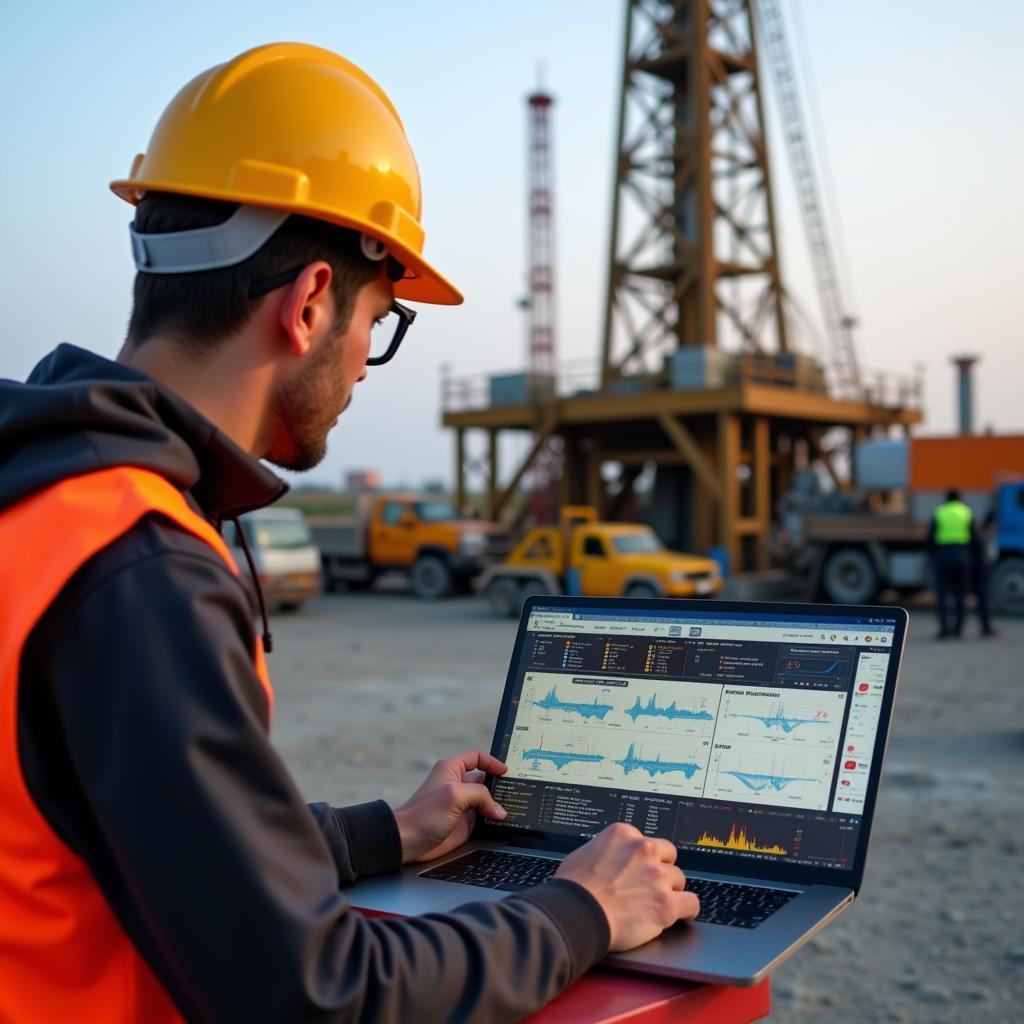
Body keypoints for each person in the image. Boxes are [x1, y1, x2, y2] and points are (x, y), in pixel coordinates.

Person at [0, 44, 698, 1022]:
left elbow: (159, 841)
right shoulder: (139, 564)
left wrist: (391, 832)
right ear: (310, 302)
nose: (368, 363)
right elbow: (314, 995)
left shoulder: (41, 491)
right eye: (380, 319)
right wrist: (582, 907)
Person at [927, 487, 982, 638]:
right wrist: (977, 559)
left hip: (942, 556)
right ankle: (958, 630)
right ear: (959, 498)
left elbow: (930, 538)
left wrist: (931, 557)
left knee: (942, 595)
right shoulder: (965, 512)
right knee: (960, 596)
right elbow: (975, 538)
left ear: (946, 498)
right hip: (962, 556)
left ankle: (944, 630)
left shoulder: (939, 512)